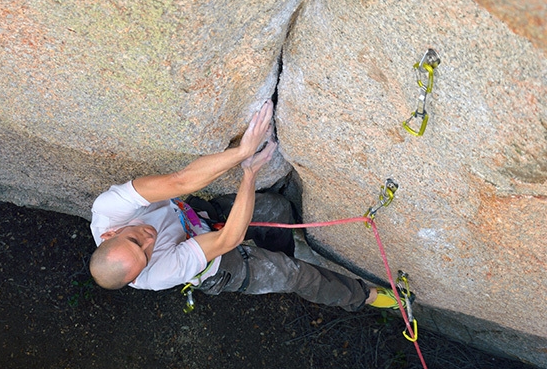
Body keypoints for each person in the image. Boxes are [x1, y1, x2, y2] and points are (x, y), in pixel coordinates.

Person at [89, 100, 399, 311]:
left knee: (277, 210)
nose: (148, 239)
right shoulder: (156, 275)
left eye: (134, 240)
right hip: (215, 264)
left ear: (109, 234)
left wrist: (243, 151)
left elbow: (179, 181)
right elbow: (227, 240)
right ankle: (366, 297)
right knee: (292, 276)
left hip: (193, 218)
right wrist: (249, 174)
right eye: (146, 254)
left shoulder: (107, 210)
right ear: (141, 271)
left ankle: (285, 254)